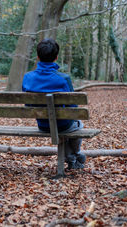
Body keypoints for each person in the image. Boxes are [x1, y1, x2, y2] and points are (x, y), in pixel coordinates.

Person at [22, 38, 86, 169]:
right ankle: (74, 155)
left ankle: (72, 158)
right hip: (63, 125)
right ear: (56, 57)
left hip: (43, 125)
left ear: (38, 57)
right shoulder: (63, 79)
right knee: (78, 124)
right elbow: (73, 108)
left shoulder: (27, 77)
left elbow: (27, 105)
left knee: (70, 124)